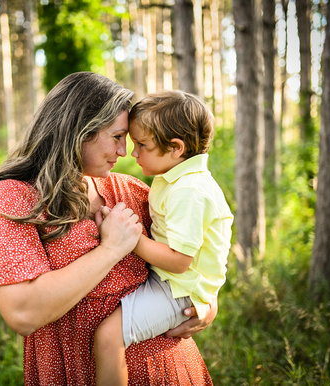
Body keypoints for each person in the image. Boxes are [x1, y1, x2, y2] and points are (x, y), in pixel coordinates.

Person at [0, 72, 217, 385]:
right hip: (75, 371)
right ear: (79, 130)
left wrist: (206, 305)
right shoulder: (12, 199)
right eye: (117, 137)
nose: (124, 152)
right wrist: (112, 248)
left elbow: (188, 258)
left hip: (169, 370)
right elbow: (23, 314)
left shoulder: (130, 190)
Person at [93, 90, 233, 385]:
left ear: (175, 148)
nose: (132, 153)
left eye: (141, 145)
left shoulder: (188, 192)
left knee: (108, 338)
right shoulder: (176, 178)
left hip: (179, 290)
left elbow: (180, 261)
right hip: (173, 283)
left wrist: (132, 238)